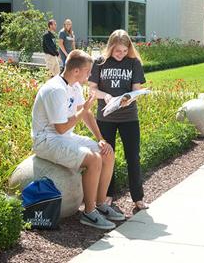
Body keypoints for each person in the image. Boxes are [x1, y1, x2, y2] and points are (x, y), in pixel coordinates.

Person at [31, 50, 125, 230]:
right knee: (93, 159)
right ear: (76, 71)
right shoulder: (56, 89)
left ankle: (101, 204)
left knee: (107, 152)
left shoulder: (74, 86)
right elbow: (61, 128)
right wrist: (83, 111)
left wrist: (100, 139)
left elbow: (86, 113)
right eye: (87, 71)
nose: (90, 75)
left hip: (63, 138)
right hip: (46, 140)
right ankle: (89, 213)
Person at [88, 29, 148, 211]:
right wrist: (105, 96)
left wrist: (128, 98)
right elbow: (92, 89)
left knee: (133, 157)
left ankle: (138, 198)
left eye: (124, 50)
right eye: (117, 51)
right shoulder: (100, 62)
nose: (121, 54)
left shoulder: (134, 63)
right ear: (110, 47)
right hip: (105, 116)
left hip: (129, 116)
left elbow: (136, 89)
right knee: (107, 156)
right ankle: (107, 195)